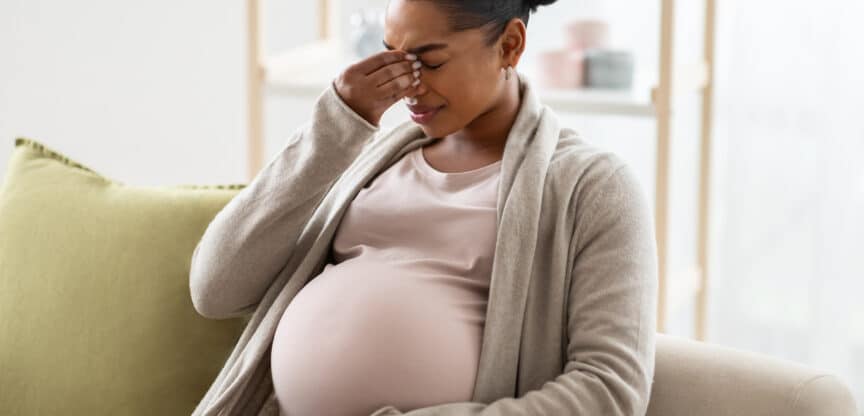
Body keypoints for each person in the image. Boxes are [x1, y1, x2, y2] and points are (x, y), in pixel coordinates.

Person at [189, 1, 658, 415]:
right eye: (393, 57)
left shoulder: (593, 187)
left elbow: (610, 391)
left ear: (510, 46)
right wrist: (336, 123)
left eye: (429, 62)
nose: (408, 85)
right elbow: (215, 289)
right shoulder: (369, 157)